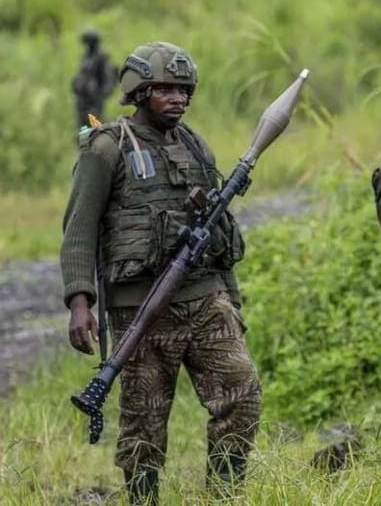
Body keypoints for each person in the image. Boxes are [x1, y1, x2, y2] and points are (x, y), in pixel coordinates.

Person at [60, 42, 262, 504]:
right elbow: (79, 229)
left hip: (205, 299)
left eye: (184, 90)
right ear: (140, 91)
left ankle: (225, 494)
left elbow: (218, 226)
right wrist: (79, 301)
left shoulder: (193, 143)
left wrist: (231, 297)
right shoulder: (108, 148)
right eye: (166, 89)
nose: (178, 99)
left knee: (241, 393)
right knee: (144, 423)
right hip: (142, 310)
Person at [72, 28, 117, 129]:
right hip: (82, 99)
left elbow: (108, 79)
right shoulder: (85, 57)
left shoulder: (101, 58)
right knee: (82, 128)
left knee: (94, 126)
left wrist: (100, 96)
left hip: (94, 100)